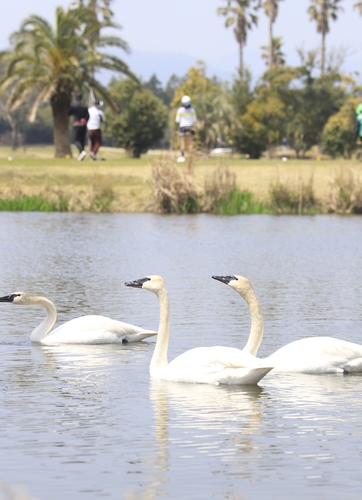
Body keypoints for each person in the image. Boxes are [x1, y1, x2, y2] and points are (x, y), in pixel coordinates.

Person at [68, 92, 89, 161]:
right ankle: (81, 154)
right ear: (81, 98)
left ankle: (81, 151)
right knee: (82, 140)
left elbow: (68, 113)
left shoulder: (74, 106)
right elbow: (88, 116)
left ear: (75, 98)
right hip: (83, 125)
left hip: (76, 124)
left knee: (76, 140)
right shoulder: (85, 106)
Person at [175, 95, 197, 162]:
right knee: (190, 142)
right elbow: (194, 120)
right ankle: (191, 157)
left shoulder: (180, 110)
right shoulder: (192, 110)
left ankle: (182, 157)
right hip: (190, 126)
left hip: (182, 127)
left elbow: (177, 120)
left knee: (182, 142)